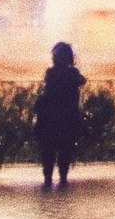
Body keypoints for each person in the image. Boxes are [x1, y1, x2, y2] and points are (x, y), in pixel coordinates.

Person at [33, 41, 86, 189]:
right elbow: (82, 81)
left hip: (49, 119)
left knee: (48, 151)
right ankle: (63, 178)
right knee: (65, 150)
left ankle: (48, 178)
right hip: (67, 119)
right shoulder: (73, 74)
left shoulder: (51, 73)